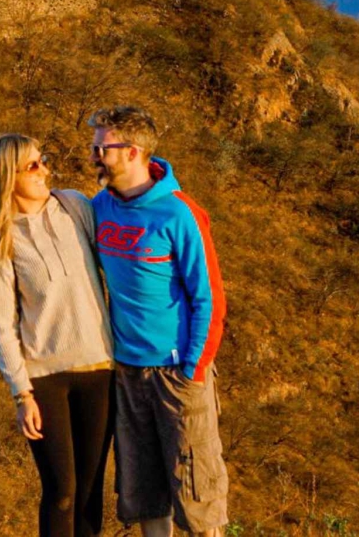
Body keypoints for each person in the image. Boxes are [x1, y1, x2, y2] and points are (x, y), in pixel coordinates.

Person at [87, 106, 229, 537]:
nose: (93, 156)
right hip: (127, 372)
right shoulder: (100, 207)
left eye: (102, 149)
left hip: (176, 373)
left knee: (198, 491)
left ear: (132, 152)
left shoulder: (179, 214)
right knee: (144, 491)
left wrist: (193, 371)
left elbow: (209, 299)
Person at [0, 132, 116, 537]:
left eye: (44, 160)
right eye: (33, 165)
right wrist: (21, 394)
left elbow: (115, 262)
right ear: (9, 177)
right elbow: (1, 325)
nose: (45, 170)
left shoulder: (74, 206)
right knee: (61, 493)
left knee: (90, 494)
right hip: (44, 381)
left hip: (100, 369)